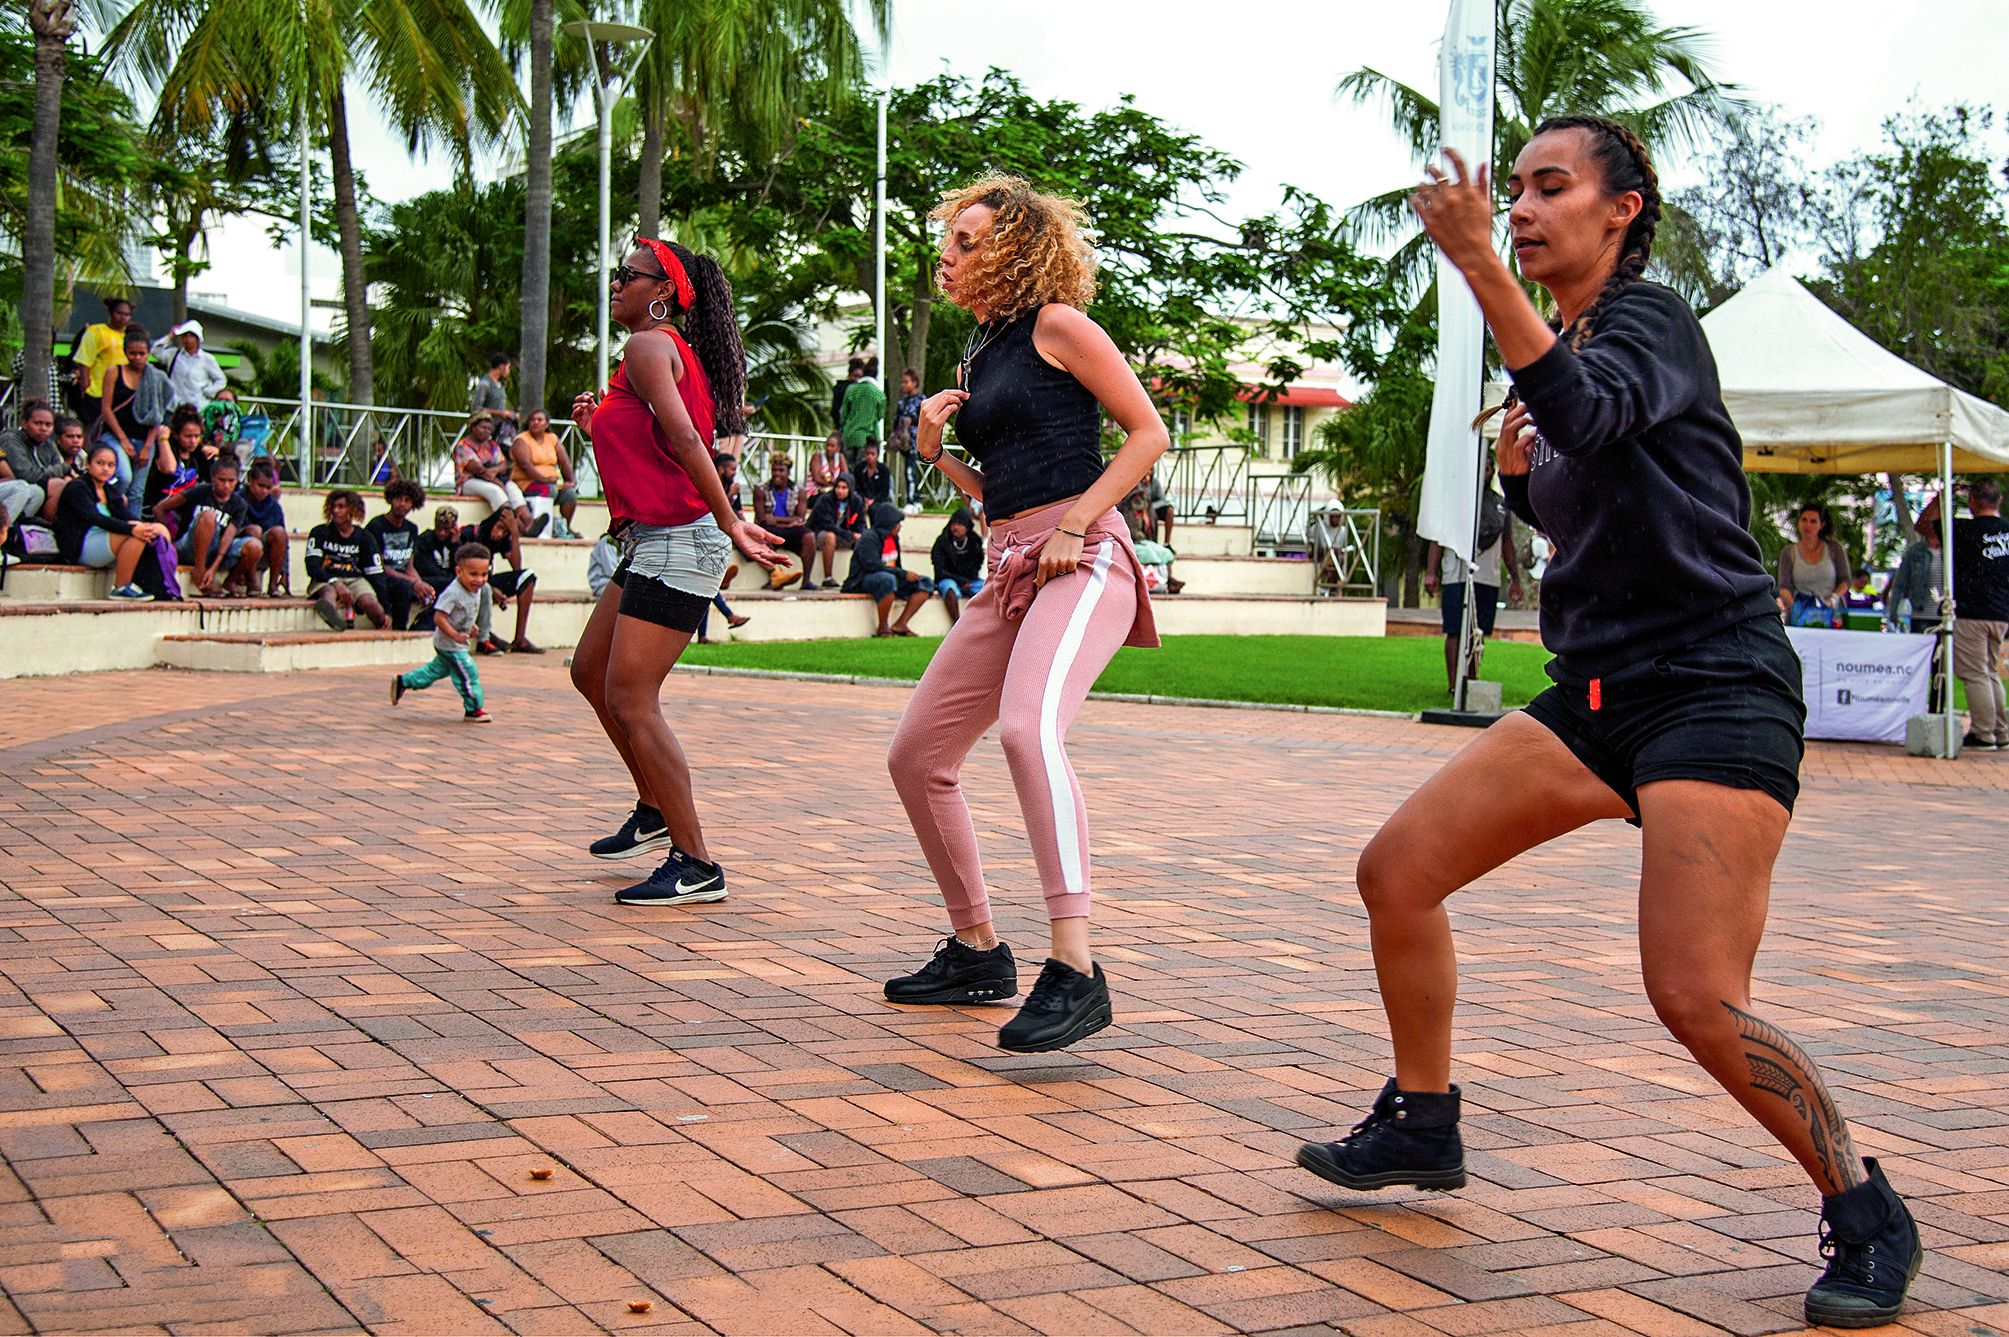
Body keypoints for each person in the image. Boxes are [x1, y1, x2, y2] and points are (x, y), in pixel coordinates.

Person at [1291, 116, 1921, 1331]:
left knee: (1691, 990)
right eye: (1511, 193)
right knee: (1397, 871)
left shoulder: (1651, 322)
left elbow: (1590, 416)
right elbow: (1587, 485)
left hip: (1713, 686)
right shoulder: (1568, 345)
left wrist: (1477, 269)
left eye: (1548, 188)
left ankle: (1865, 1207)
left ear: (1619, 209)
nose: (1521, 209)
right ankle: (1421, 1121)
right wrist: (1525, 486)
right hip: (1597, 693)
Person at [883, 175, 1166, 1054]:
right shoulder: (981, 350)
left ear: (1016, 248)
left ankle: (1076, 968)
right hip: (1010, 561)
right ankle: (975, 949)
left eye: (968, 241)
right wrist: (936, 456)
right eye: (950, 240)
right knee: (916, 756)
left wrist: (1079, 522)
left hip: (1081, 558)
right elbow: (999, 489)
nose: (949, 255)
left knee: (1024, 730)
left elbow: (1149, 435)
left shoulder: (1058, 326)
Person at [567, 235, 785, 906]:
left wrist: (729, 521)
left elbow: (691, 442)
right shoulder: (657, 351)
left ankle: (696, 862)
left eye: (627, 276)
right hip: (655, 538)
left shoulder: (647, 346)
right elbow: (657, 443)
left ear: (660, 293)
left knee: (632, 698)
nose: (616, 285)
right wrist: (593, 427)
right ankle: (654, 805)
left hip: (682, 540)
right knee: (588, 671)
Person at [1919, 479, 2009, 751]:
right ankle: (2001, 731)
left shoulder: (1964, 530)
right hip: (2002, 612)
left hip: (1973, 610)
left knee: (1974, 673)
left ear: (1973, 502)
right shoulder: (2007, 530)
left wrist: (1943, 495)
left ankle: (1983, 733)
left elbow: (1923, 526)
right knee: (1990, 672)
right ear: (1999, 501)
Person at [1424, 468, 1522, 692]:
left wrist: (1515, 579)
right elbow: (1438, 538)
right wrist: (1431, 572)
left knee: (1478, 633)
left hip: (1488, 576)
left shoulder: (1500, 505)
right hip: (1457, 573)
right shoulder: (1455, 502)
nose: (1484, 472)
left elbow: (1507, 543)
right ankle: (1453, 685)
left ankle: (1472, 683)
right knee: (1455, 629)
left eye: (1488, 467)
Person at [392, 541, 493, 723]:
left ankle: (403, 681)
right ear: (458, 572)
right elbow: (439, 618)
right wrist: (455, 635)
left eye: (484, 574)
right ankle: (474, 709)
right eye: (473, 574)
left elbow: (466, 612)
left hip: (455, 642)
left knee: (432, 672)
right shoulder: (453, 593)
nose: (479, 579)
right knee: (468, 671)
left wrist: (471, 626)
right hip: (450, 644)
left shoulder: (476, 589)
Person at [56, 443, 172, 599]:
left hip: (104, 542)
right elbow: (96, 518)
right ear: (88, 464)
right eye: (100, 463)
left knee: (158, 529)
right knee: (135, 534)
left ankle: (163, 583)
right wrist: (132, 529)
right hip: (81, 546)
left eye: (111, 465)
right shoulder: (77, 488)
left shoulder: (110, 490)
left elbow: (126, 515)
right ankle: (120, 587)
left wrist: (147, 527)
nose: (105, 469)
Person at [156, 456, 261, 596]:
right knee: (208, 516)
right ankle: (199, 572)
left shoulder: (239, 504)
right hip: (189, 547)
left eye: (231, 481)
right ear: (213, 478)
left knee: (254, 546)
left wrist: (213, 568)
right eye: (222, 480)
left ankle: (230, 581)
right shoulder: (199, 491)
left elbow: (227, 538)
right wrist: (168, 540)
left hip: (216, 551)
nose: (226, 485)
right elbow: (159, 509)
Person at [99, 329, 173, 514]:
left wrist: (148, 446)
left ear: (148, 353)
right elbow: (106, 408)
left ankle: (134, 529)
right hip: (115, 434)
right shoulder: (114, 372)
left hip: (144, 437)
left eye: (142, 354)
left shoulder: (156, 377)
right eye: (132, 353)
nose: (137, 358)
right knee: (123, 476)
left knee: (137, 491)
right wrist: (123, 440)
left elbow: (158, 413)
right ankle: (112, 512)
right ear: (125, 352)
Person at [305, 489, 390, 632]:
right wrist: (335, 581)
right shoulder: (319, 532)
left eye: (341, 507)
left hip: (356, 579)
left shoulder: (365, 537)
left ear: (353, 510)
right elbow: (312, 566)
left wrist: (387, 610)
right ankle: (332, 616)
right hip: (326, 578)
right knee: (328, 593)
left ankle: (381, 621)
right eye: (333, 506)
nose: (335, 511)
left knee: (370, 603)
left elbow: (376, 574)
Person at [844, 500, 933, 634]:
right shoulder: (869, 538)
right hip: (863, 579)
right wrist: (903, 574)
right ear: (888, 523)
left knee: (925, 582)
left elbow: (896, 564)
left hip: (889, 575)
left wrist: (905, 576)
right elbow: (871, 565)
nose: (899, 527)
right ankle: (883, 626)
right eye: (897, 523)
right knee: (888, 580)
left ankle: (901, 624)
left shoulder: (893, 538)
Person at [463, 503, 542, 653]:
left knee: (527, 577)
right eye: (499, 527)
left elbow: (517, 568)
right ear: (493, 522)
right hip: (470, 581)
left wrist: (514, 533)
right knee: (483, 587)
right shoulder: (472, 533)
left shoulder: (502, 538)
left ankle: (520, 639)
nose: (499, 534)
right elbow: (464, 572)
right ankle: (486, 636)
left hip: (486, 580)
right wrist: (492, 589)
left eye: (504, 531)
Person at [453, 413, 538, 532]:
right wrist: (496, 481)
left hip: (494, 479)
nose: (487, 431)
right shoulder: (462, 446)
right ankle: (517, 526)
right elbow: (477, 469)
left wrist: (495, 471)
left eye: (489, 429)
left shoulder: (491, 444)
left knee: (513, 488)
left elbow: (503, 464)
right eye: (483, 428)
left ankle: (528, 520)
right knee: (495, 491)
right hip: (469, 482)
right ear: (473, 427)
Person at [366, 480, 433, 630]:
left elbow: (409, 566)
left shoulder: (412, 528)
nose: (402, 504)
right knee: (404, 588)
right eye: (398, 499)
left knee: (440, 587)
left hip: (404, 577)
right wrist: (414, 583)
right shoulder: (376, 526)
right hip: (381, 577)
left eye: (407, 500)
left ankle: (421, 628)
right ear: (390, 499)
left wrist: (422, 585)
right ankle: (399, 631)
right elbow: (380, 567)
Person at [1776, 500, 1851, 629]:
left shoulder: (1834, 549)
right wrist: (1795, 607)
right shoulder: (1789, 552)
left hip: (1831, 613)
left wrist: (1832, 599)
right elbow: (1784, 586)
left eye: (1813, 521)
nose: (1807, 525)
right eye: (1804, 520)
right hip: (1799, 614)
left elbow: (1845, 581)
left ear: (1821, 525)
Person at [0, 400, 67, 536]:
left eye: (48, 424)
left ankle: (17, 535)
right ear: (24, 423)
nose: (43, 428)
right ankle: (4, 531)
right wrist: (63, 469)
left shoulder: (47, 444)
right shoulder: (9, 439)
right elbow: (24, 474)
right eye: (38, 423)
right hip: (19, 485)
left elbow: (8, 475)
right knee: (21, 487)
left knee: (37, 492)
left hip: (13, 487)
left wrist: (64, 470)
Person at [510, 408, 579, 536]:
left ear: (546, 424)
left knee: (570, 495)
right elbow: (526, 465)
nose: (535, 422)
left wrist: (571, 481)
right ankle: (541, 528)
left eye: (539, 420)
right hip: (526, 483)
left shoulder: (552, 438)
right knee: (549, 489)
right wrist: (545, 479)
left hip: (551, 483)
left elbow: (564, 462)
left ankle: (565, 528)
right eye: (532, 420)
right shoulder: (521, 440)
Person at [69, 296, 132, 422]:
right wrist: (86, 388)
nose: (123, 317)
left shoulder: (131, 335)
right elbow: (84, 361)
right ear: (110, 313)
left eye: (127, 314)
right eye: (119, 313)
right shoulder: (97, 331)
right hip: (97, 393)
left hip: (122, 395)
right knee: (93, 430)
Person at [754, 452, 810, 589]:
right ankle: (776, 576)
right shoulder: (760, 489)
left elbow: (800, 518)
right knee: (761, 536)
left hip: (790, 529)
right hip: (771, 530)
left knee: (810, 537)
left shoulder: (799, 491)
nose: (777, 474)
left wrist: (777, 520)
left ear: (788, 472)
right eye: (774, 470)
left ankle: (806, 582)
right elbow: (762, 519)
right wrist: (790, 521)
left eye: (781, 470)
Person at [803, 473, 866, 588]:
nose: (840, 491)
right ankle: (828, 578)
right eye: (838, 487)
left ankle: (857, 578)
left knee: (863, 540)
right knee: (830, 536)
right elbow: (827, 525)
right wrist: (851, 534)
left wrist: (860, 534)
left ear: (850, 489)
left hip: (842, 534)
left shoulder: (856, 501)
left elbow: (861, 523)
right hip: (818, 533)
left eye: (844, 488)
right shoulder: (826, 499)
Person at [238, 460, 290, 596]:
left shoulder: (274, 507)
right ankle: (252, 581)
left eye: (268, 488)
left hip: (264, 552)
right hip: (240, 551)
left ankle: (273, 585)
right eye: (260, 486)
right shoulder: (237, 500)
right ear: (250, 481)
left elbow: (285, 541)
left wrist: (285, 571)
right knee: (254, 530)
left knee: (279, 532)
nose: (264, 491)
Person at [149, 320, 228, 411]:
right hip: (175, 407)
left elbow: (221, 380)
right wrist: (170, 336)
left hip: (198, 407)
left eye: (191, 336)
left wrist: (207, 391)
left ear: (198, 339)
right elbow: (155, 351)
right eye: (185, 336)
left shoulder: (207, 359)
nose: (188, 339)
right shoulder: (174, 354)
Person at [929, 506, 985, 624]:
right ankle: (956, 624)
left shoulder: (974, 541)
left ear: (967, 526)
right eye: (953, 524)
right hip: (948, 579)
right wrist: (961, 581)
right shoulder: (942, 542)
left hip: (970, 580)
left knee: (988, 589)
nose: (955, 527)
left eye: (960, 524)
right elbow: (940, 570)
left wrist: (967, 581)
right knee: (950, 589)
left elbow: (977, 564)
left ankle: (982, 624)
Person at [1885, 526, 1942, 635]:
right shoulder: (1914, 552)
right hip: (1921, 614)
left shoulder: (1952, 549)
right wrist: (1893, 613)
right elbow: (1899, 585)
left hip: (1947, 614)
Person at [840, 354, 886, 459]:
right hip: (868, 439)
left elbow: (843, 414)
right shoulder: (879, 394)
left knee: (849, 472)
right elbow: (880, 415)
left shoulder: (851, 389)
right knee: (864, 472)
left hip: (849, 436)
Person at [893, 367, 925, 512]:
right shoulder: (902, 402)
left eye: (906, 382)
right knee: (907, 471)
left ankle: (914, 501)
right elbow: (896, 420)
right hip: (904, 442)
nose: (903, 385)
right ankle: (912, 499)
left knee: (912, 471)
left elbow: (924, 420)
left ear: (915, 383)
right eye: (902, 382)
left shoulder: (921, 400)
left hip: (916, 441)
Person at [469, 352, 517, 443]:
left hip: (499, 431)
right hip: (485, 432)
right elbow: (476, 409)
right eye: (508, 367)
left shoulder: (500, 385)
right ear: (502, 367)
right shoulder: (485, 385)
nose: (508, 371)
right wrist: (500, 413)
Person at [853, 440, 893, 508]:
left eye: (872, 454)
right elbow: (856, 488)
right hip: (862, 501)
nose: (869, 457)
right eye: (867, 454)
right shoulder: (859, 469)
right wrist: (864, 499)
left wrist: (873, 500)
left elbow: (884, 491)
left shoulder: (884, 470)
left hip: (879, 502)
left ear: (877, 455)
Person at [831, 356, 863, 434]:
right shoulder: (841, 389)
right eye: (855, 376)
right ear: (849, 375)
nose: (857, 380)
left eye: (860, 377)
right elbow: (835, 410)